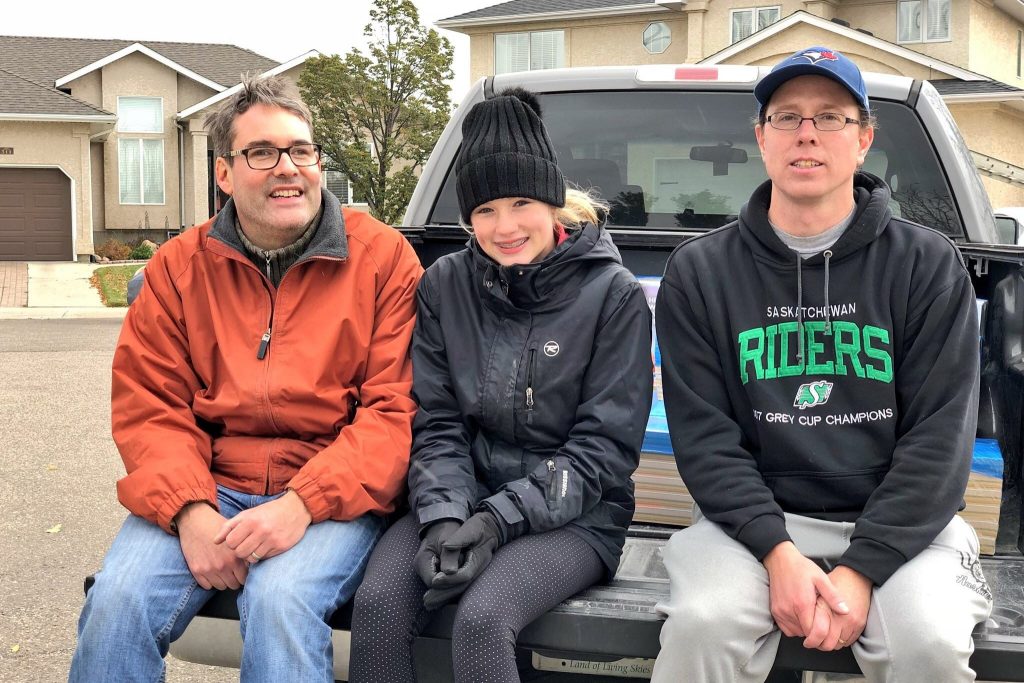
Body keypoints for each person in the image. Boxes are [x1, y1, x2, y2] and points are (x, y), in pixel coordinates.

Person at [650, 47, 993, 682]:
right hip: (750, 527)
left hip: (899, 524)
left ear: (864, 139)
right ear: (761, 137)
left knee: (930, 643)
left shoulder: (924, 264)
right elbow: (706, 442)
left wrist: (863, 571)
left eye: (830, 116)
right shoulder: (700, 272)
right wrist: (777, 553)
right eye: (786, 116)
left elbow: (938, 441)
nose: (807, 133)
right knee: (704, 625)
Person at [69, 74, 421, 682]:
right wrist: (189, 512)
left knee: (281, 602)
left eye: (300, 150)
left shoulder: (384, 260)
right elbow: (150, 405)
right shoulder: (178, 269)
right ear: (225, 173)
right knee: (117, 601)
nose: (287, 168)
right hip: (209, 486)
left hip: (331, 494)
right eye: (262, 152)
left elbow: (397, 410)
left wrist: (302, 504)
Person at [348, 88, 654, 682]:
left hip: (578, 515)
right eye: (484, 210)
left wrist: (493, 522)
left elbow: (604, 451)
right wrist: (441, 517)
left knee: (484, 619)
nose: (505, 226)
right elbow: (436, 420)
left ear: (552, 201)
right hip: (461, 496)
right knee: (379, 605)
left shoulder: (612, 295)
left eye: (520, 203)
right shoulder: (444, 285)